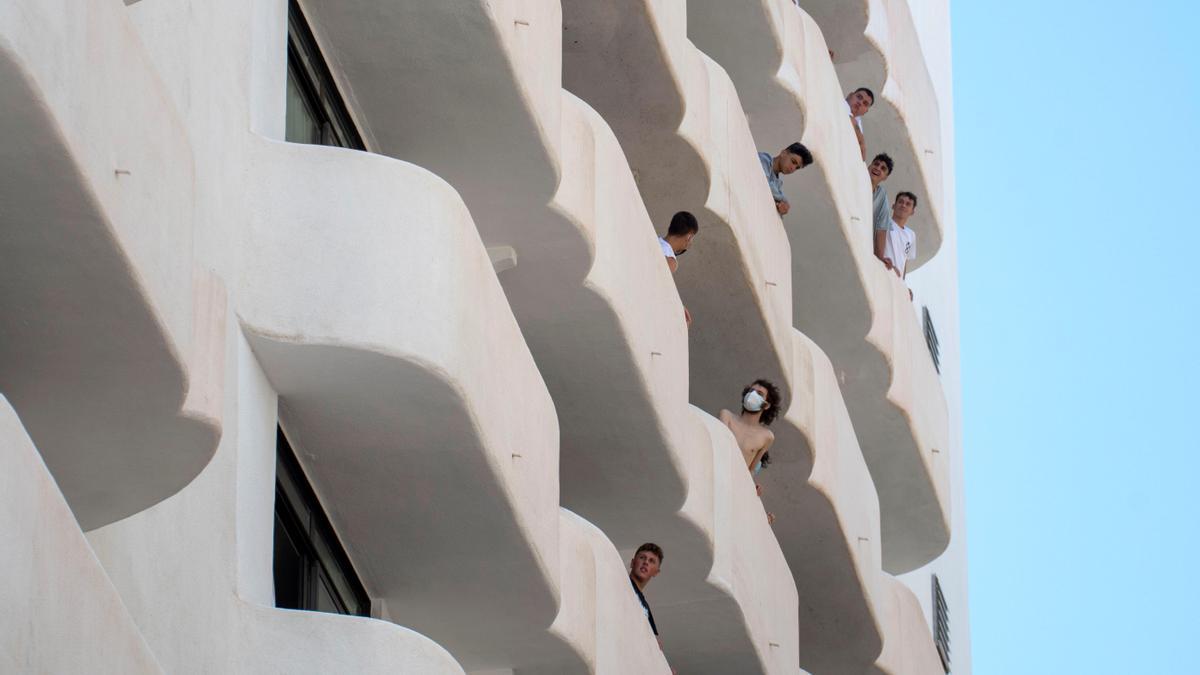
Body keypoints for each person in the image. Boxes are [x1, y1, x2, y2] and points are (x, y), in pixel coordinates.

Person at [720, 380, 780, 524]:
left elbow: (750, 470)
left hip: (735, 486)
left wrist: (752, 488)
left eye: (759, 393)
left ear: (766, 405)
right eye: (750, 391)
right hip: (719, 474)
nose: (752, 395)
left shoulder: (767, 437)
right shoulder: (726, 416)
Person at [630, 542, 675, 671]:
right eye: (642, 557)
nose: (646, 562)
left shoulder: (645, 608)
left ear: (656, 572)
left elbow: (655, 644)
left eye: (651, 561)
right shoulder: (621, 583)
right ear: (633, 563)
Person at [659, 211, 698, 326]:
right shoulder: (671, 260)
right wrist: (679, 306)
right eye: (692, 238)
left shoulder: (655, 241)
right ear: (689, 236)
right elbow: (660, 286)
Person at [757, 143, 813, 216]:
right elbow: (764, 183)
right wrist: (783, 200)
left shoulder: (777, 184)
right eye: (793, 161)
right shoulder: (763, 159)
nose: (793, 168)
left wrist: (781, 206)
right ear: (783, 153)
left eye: (797, 168)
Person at [883, 192, 918, 299]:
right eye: (901, 202)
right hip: (882, 271)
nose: (903, 205)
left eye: (908, 204)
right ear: (893, 205)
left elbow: (904, 260)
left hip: (896, 282)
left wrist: (903, 285)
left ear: (912, 211)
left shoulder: (911, 235)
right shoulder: (883, 222)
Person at [868, 153, 894, 262]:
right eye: (876, 164)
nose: (878, 168)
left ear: (885, 177)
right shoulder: (858, 178)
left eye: (883, 168)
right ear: (869, 166)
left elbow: (881, 227)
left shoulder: (881, 195)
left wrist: (880, 257)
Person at [844, 87, 875, 161]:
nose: (860, 102)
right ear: (850, 95)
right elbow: (847, 118)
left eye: (865, 103)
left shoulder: (858, 122)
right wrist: (861, 143)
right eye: (859, 97)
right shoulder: (840, 102)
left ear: (865, 111)